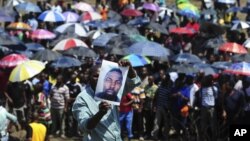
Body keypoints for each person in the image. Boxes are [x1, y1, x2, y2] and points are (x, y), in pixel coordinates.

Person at [72, 61, 140, 141]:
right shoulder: (82, 98)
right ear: (89, 78)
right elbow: (85, 126)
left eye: (101, 75)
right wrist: (100, 113)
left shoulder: (113, 91)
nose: (99, 78)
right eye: (96, 76)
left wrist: (130, 69)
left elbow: (133, 83)